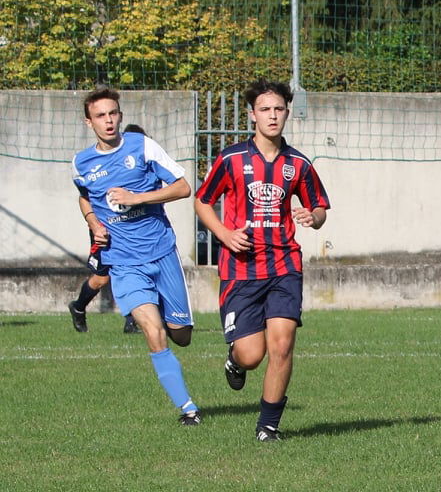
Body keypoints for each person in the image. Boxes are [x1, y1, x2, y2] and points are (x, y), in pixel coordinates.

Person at [193, 79, 330, 442]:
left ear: (287, 113)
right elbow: (202, 201)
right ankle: (235, 360)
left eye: (279, 109)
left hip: (285, 265)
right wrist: (223, 234)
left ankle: (268, 427)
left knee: (282, 344)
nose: (273, 116)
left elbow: (319, 208)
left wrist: (311, 217)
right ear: (252, 114)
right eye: (265, 109)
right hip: (241, 268)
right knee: (252, 355)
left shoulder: (298, 164)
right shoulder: (231, 159)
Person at [71, 87, 201, 425]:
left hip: (161, 252)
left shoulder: (142, 147)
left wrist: (137, 198)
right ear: (89, 123)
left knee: (181, 334)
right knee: (151, 330)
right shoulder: (81, 162)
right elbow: (85, 196)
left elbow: (183, 187)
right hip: (124, 261)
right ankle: (188, 409)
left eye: (113, 113)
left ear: (121, 116)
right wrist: (93, 221)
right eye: (101, 116)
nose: (109, 120)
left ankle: (168, 313)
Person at [68, 124, 145, 334]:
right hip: (106, 230)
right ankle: (78, 307)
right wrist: (95, 225)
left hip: (131, 229)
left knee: (133, 270)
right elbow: (85, 197)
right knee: (102, 278)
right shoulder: (104, 166)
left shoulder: (143, 167)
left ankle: (132, 322)